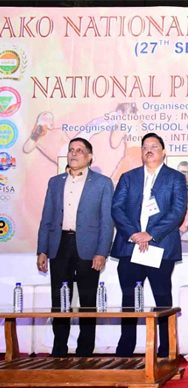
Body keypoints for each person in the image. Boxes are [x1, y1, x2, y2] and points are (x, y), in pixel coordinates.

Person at [111, 132, 187, 357]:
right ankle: (125, 350)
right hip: (130, 247)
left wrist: (150, 234)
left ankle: (166, 351)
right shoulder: (128, 177)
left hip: (160, 248)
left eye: (154, 146)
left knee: (162, 300)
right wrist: (134, 234)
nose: (149, 150)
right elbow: (117, 208)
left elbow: (177, 211)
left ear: (164, 152)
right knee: (129, 300)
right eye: (145, 147)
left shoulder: (175, 178)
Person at [36, 137, 114, 357]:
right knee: (60, 300)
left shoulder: (102, 183)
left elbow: (107, 222)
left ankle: (85, 350)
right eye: (71, 150)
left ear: (89, 157)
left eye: (79, 150)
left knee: (88, 301)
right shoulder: (55, 182)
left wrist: (102, 252)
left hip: (89, 248)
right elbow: (47, 217)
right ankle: (59, 349)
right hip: (59, 245)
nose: (74, 153)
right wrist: (42, 250)